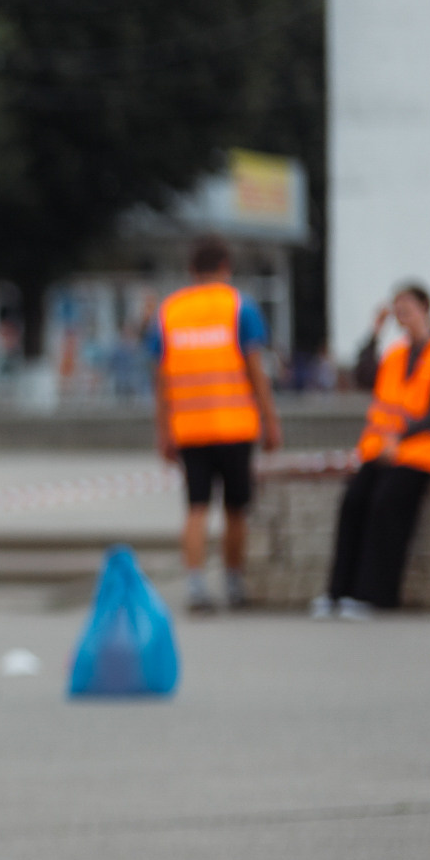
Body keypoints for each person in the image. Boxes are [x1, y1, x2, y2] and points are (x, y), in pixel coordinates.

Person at [314, 283, 430, 619]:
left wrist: (401, 435)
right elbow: (363, 375)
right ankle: (338, 591)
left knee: (386, 506)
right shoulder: (395, 353)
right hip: (384, 450)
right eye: (397, 310)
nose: (403, 316)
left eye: (408, 308)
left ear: (426, 309)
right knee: (354, 501)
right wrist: (374, 331)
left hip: (422, 452)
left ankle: (375, 594)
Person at [149, 237, 283, 611]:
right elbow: (256, 370)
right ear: (226, 266)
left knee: (196, 508)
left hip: (189, 429)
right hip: (235, 426)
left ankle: (195, 587)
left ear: (191, 271)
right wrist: (271, 420)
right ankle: (234, 584)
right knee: (236, 509)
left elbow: (160, 380)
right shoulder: (240, 307)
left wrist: (163, 430)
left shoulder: (169, 311)